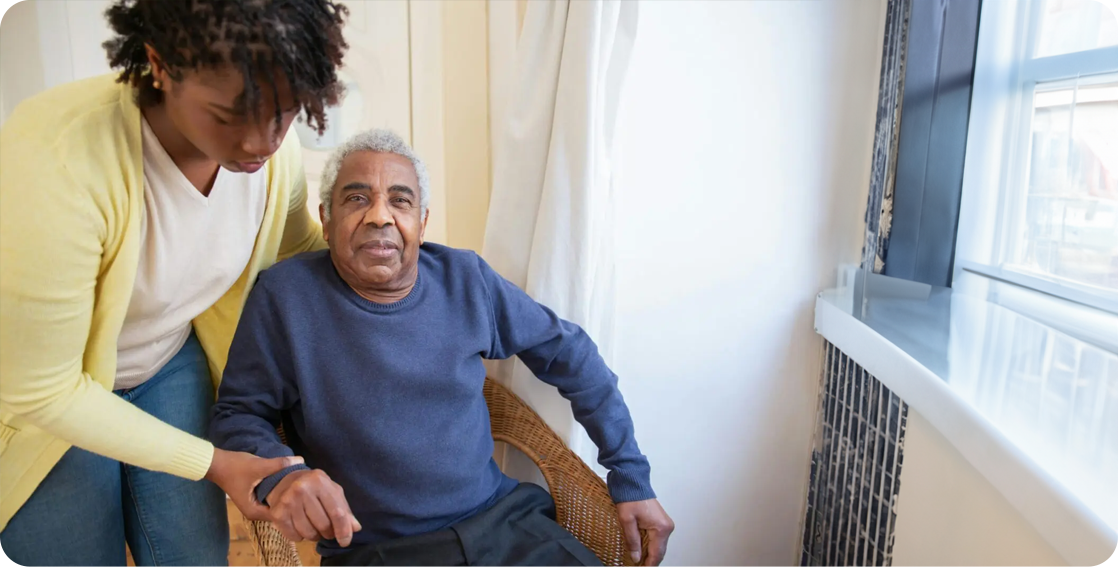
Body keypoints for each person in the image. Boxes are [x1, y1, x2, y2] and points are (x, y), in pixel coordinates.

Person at [209, 129, 676, 567]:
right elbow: (237, 414)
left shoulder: (465, 279)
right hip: (380, 551)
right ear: (326, 221)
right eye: (356, 199)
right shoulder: (285, 297)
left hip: (506, 526)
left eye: (400, 200)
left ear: (422, 221)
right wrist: (281, 476)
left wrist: (629, 475)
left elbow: (571, 355)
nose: (379, 215)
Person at [0, 1, 355, 566]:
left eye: (285, 114)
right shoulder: (57, 160)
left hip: (166, 359)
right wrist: (215, 463)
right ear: (160, 64)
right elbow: (42, 388)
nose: (261, 142)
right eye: (228, 115)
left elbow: (298, 250)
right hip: (42, 398)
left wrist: (421, 271)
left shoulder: (273, 157)